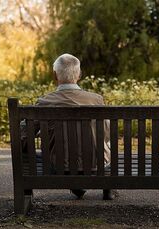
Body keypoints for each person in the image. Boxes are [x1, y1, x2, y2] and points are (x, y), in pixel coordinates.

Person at [21, 53, 115, 200]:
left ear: (55, 76)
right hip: (96, 165)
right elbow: (107, 135)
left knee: (32, 152)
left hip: (59, 166)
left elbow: (24, 135)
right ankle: (105, 188)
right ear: (79, 75)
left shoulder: (45, 102)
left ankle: (28, 195)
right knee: (104, 144)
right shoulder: (96, 100)